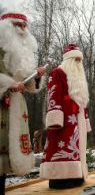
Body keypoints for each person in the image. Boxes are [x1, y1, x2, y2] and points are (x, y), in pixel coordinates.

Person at [0, 12, 46, 193]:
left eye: (24, 26)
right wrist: (8, 84)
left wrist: (36, 76)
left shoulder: (23, 53)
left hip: (16, 107)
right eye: (18, 25)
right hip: (2, 105)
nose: (22, 29)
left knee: (7, 158)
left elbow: (29, 85)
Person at [40, 44, 92, 189]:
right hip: (63, 118)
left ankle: (76, 174)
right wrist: (55, 118)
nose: (78, 63)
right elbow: (54, 94)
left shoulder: (80, 79)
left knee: (76, 147)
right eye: (75, 59)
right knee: (61, 146)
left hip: (78, 118)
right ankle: (58, 178)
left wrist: (85, 118)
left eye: (79, 60)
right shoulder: (57, 72)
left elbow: (83, 100)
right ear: (68, 60)